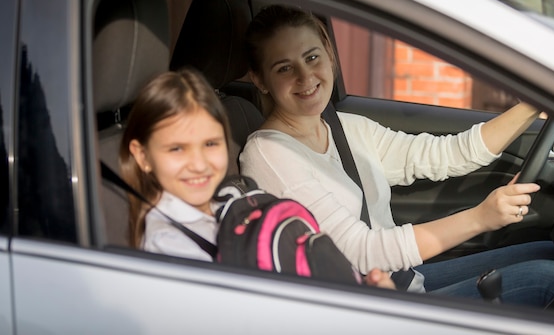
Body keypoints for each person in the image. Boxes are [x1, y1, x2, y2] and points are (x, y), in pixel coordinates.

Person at [239, 4, 554, 306]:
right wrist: (480, 217)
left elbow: (449, 154)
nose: (305, 76)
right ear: (260, 80)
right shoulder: (269, 153)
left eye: (312, 57)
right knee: (551, 280)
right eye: (284, 68)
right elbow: (360, 253)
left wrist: (537, 101)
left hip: (404, 281)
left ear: (329, 53)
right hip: (368, 309)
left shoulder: (345, 128)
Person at [118, 67, 395, 289]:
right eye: (177, 149)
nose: (199, 163)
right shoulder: (170, 245)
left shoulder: (222, 204)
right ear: (142, 156)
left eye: (211, 144)